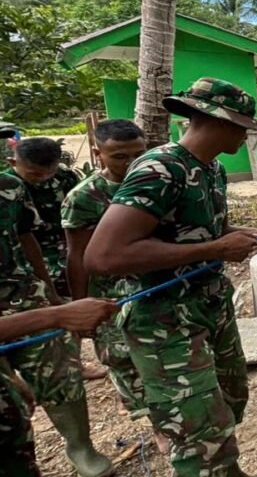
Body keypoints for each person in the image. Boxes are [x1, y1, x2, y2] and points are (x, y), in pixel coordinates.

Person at [84, 77, 257, 477]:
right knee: (197, 431)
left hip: (209, 306)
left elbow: (217, 232)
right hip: (164, 321)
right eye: (243, 127)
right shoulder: (160, 168)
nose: (245, 137)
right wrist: (212, 252)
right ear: (220, 122)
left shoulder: (210, 170)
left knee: (229, 404)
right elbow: (103, 255)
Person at [1, 132, 113, 477]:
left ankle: (80, 446)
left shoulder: (9, 189)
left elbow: (25, 237)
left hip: (20, 295)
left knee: (61, 372)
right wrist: (60, 311)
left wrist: (48, 293)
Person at [61, 119, 168, 452]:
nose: (130, 163)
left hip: (155, 285)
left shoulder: (157, 182)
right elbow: (76, 255)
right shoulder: (84, 198)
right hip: (111, 294)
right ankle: (156, 426)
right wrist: (79, 307)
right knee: (122, 359)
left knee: (163, 357)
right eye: (120, 156)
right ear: (98, 154)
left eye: (139, 154)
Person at [0, 298, 119, 477]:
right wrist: (59, 315)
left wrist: (54, 300)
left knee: (58, 366)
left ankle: (80, 447)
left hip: (21, 294)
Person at [7, 138, 81, 300]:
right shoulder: (9, 189)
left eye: (50, 172)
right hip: (32, 250)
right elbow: (23, 237)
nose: (43, 178)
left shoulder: (65, 178)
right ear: (13, 162)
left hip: (67, 242)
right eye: (35, 174)